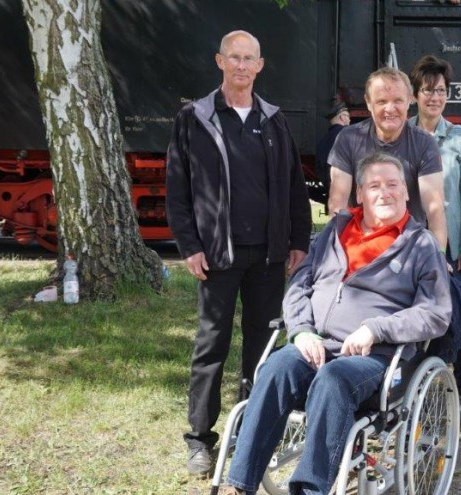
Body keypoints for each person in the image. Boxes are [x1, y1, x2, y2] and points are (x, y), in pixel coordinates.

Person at [220, 152, 452, 495]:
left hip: (376, 357)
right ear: (360, 193)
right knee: (275, 368)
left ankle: (310, 490)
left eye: (393, 184)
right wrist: (301, 331)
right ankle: (240, 484)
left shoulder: (420, 244)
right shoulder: (335, 231)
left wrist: (376, 329)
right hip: (317, 343)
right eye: (375, 185)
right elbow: (299, 285)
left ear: (406, 192)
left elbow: (435, 313)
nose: (385, 193)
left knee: (333, 379)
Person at [165, 30, 312, 476]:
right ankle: (200, 439)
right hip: (217, 255)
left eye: (249, 59)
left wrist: (298, 241)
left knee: (262, 348)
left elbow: (295, 186)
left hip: (268, 257)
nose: (242, 66)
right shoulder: (195, 117)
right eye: (234, 57)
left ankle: (251, 431)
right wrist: (190, 245)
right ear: (220, 61)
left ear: (260, 66)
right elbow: (177, 189)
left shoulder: (273, 119)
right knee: (211, 345)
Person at [407, 54, 461, 426]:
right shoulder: (403, 133)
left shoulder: (460, 136)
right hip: (410, 247)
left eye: (440, 91)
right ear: (415, 95)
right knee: (415, 321)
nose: (434, 97)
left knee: (460, 319)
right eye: (427, 91)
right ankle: (418, 391)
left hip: (450, 246)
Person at [327, 67, 448, 250]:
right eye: (381, 101)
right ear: (368, 102)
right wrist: (335, 254)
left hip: (409, 248)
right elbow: (338, 203)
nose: (390, 109)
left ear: (409, 100)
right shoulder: (348, 139)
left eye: (398, 100)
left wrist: (438, 256)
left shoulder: (424, 144)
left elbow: (435, 210)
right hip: (360, 246)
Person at [314, 102, 350, 191]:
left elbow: (319, 169)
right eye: (348, 116)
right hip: (347, 187)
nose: (350, 120)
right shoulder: (347, 134)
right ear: (342, 117)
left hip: (331, 188)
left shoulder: (322, 141)